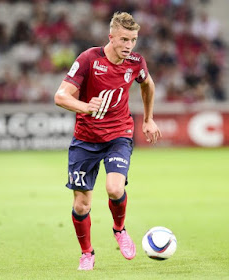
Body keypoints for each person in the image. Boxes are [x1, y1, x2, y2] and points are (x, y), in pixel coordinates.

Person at [54, 11, 161, 271]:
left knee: (114, 188)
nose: (129, 45)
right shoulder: (89, 59)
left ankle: (120, 230)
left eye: (133, 40)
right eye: (124, 39)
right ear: (110, 37)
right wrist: (85, 106)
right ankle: (87, 253)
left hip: (119, 134)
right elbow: (60, 96)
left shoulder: (136, 62)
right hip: (85, 139)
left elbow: (148, 85)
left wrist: (148, 119)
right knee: (81, 205)